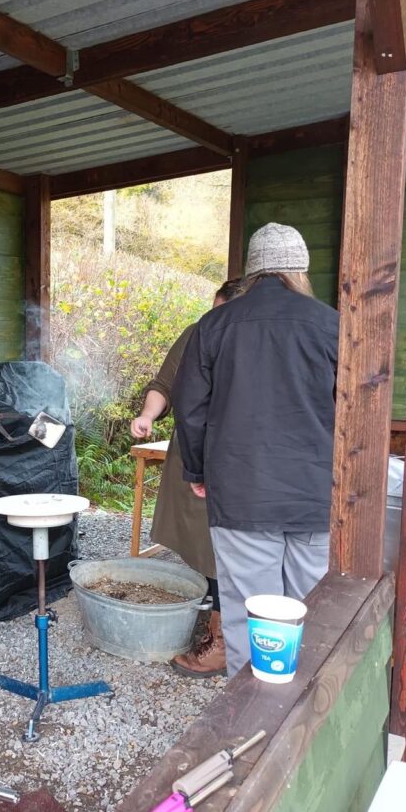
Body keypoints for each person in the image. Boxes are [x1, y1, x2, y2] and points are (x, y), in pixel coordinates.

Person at [172, 223, 339, 677]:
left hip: (241, 492)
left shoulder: (214, 325)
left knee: (251, 613)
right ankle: (315, 702)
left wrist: (197, 471)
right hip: (315, 493)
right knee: (314, 607)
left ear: (252, 272)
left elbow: (189, 407)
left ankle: (251, 711)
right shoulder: (331, 325)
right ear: (300, 270)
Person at [130, 279, 243, 677]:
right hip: (195, 453)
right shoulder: (197, 333)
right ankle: (217, 623)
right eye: (211, 311)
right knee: (202, 543)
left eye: (221, 313)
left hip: (241, 456)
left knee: (232, 547)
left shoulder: (256, 341)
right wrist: (147, 415)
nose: (213, 320)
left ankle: (227, 638)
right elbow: (164, 384)